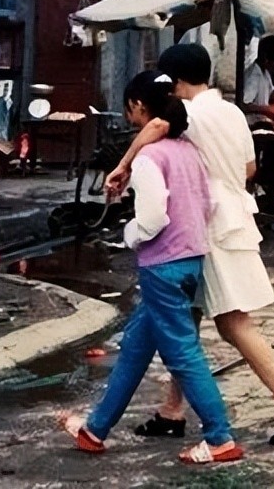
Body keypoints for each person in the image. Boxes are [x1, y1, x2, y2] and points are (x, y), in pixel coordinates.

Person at [106, 44, 274, 449]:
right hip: (234, 216)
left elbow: (152, 129)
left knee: (234, 323)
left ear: (174, 82)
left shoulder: (190, 114)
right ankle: (172, 411)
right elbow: (249, 168)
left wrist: (124, 165)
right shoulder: (231, 111)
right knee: (186, 319)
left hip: (210, 226)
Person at [61, 71, 243, 466]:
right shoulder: (188, 150)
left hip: (163, 265)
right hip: (191, 258)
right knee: (135, 349)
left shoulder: (149, 156)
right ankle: (95, 429)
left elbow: (153, 217)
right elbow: (205, 203)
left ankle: (219, 437)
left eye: (130, 111)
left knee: (183, 354)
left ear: (140, 107)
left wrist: (130, 234)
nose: (129, 118)